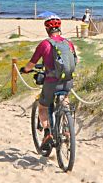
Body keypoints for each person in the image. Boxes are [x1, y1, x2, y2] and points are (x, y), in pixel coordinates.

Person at [21, 17, 79, 153]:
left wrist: (25, 70)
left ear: (47, 29)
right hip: (67, 81)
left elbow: (31, 64)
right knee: (64, 100)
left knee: (42, 107)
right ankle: (67, 129)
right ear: (59, 29)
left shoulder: (45, 44)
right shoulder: (68, 43)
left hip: (51, 83)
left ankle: (47, 133)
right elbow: (74, 60)